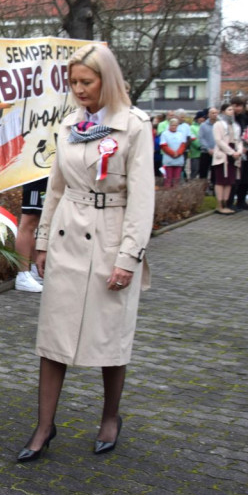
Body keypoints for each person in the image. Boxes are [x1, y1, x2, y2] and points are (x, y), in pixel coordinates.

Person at [17, 43, 154, 463]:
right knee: (53, 337)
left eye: (86, 82)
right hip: (67, 236)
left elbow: (142, 199)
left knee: (108, 335)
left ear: (106, 80)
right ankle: (44, 426)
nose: (78, 89)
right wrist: (41, 244)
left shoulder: (133, 125)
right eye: (73, 82)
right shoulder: (70, 125)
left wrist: (128, 258)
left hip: (111, 237)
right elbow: (55, 187)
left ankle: (110, 417)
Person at [14, 178, 48, 292]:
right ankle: (22, 275)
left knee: (37, 222)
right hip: (36, 178)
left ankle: (36, 271)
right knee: (29, 222)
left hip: (46, 174)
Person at [211, 103, 242, 215]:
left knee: (229, 182)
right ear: (223, 111)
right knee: (221, 181)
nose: (232, 112)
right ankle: (219, 205)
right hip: (223, 155)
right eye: (229, 110)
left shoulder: (235, 126)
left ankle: (226, 204)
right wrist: (231, 152)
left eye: (232, 110)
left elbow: (238, 140)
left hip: (233, 155)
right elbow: (219, 141)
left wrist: (239, 151)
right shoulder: (218, 125)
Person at [159, 118, 187, 188]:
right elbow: (163, 145)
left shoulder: (181, 134)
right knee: (168, 178)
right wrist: (172, 153)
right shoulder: (165, 134)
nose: (174, 127)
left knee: (176, 179)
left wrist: (178, 153)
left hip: (178, 159)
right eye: (172, 125)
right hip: (168, 160)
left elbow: (183, 145)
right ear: (169, 125)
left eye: (175, 125)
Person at [198, 107, 218, 182]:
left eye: (216, 113)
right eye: (212, 113)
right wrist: (208, 149)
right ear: (208, 114)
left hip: (217, 152)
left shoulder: (219, 125)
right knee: (203, 172)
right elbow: (201, 138)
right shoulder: (203, 125)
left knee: (215, 173)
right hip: (205, 152)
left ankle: (213, 189)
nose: (214, 115)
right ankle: (202, 189)